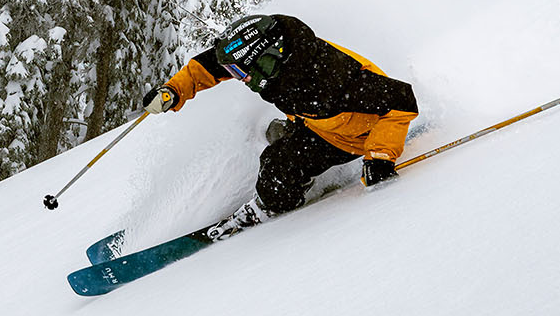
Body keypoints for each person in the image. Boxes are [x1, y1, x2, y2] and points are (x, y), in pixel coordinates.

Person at [145, 12, 418, 240]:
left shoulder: (330, 77)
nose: (239, 79)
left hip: (352, 136)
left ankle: (271, 207)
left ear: (267, 59)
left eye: (240, 72)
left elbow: (401, 100)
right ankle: (286, 134)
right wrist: (172, 91)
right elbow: (210, 66)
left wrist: (380, 157)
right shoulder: (274, 57)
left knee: (279, 166)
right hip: (313, 122)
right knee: (270, 133)